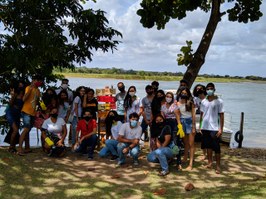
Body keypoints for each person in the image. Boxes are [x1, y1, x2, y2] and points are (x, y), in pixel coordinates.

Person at [200, 82, 224, 174]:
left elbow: (221, 115)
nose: (209, 90)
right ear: (206, 90)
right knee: (208, 146)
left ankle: (218, 166)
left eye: (211, 88)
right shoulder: (203, 101)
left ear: (214, 89)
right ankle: (210, 162)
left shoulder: (219, 101)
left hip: (214, 128)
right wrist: (200, 127)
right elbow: (202, 114)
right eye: (208, 88)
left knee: (216, 147)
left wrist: (220, 128)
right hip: (205, 127)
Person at [18, 74, 43, 155]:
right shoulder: (28, 88)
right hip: (26, 112)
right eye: (38, 81)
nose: (39, 82)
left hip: (33, 113)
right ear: (33, 80)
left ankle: (27, 147)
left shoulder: (38, 90)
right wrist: (30, 88)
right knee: (26, 129)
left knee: (28, 130)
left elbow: (38, 102)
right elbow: (24, 99)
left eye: (40, 81)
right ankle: (20, 148)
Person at [177, 87, 196, 170]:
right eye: (182, 93)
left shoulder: (190, 103)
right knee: (185, 143)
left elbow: (193, 115)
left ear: (188, 94)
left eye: (185, 93)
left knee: (191, 144)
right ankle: (185, 157)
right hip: (182, 122)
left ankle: (191, 164)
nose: (183, 94)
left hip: (189, 122)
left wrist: (194, 127)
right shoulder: (177, 103)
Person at [5, 82, 24, 153]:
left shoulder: (24, 95)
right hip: (10, 113)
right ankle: (10, 147)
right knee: (15, 130)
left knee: (15, 131)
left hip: (17, 115)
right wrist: (13, 96)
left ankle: (13, 146)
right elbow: (10, 104)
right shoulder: (15, 94)